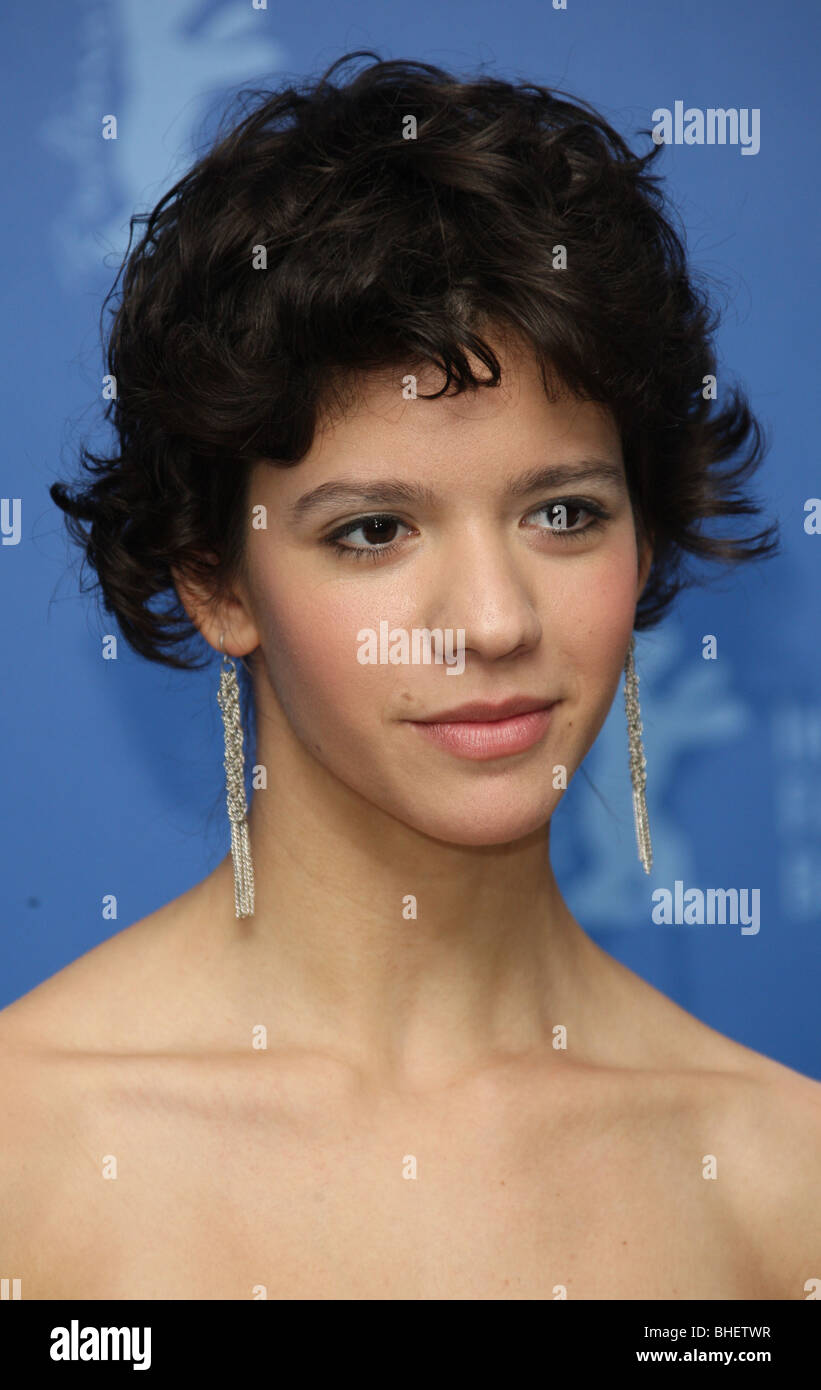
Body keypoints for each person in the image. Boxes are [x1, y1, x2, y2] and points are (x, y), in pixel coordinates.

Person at [1, 52, 818, 1301]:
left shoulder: (780, 1181)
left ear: (643, 535)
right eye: (373, 530)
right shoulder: (29, 1153)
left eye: (560, 512)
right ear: (217, 584)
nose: (491, 623)